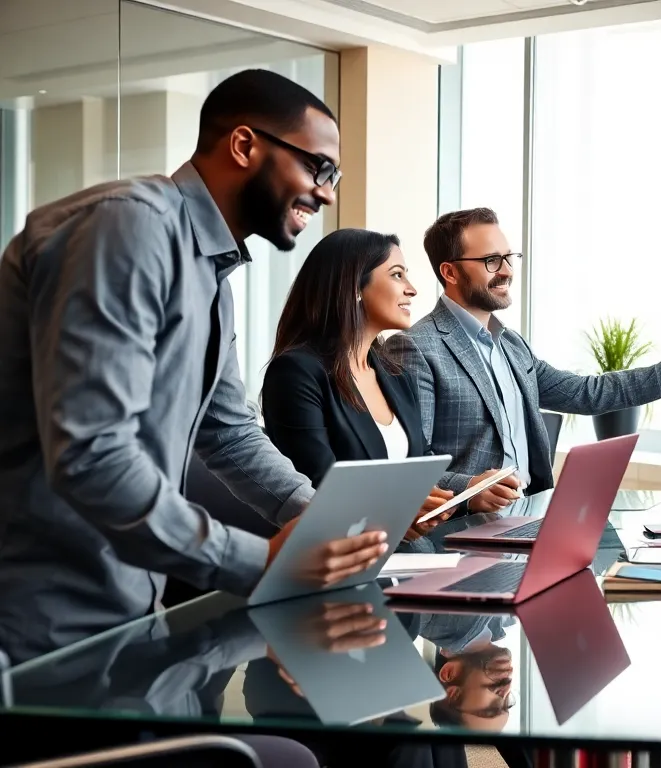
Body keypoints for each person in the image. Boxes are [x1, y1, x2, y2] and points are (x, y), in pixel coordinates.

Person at [0, 69, 386, 665]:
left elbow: (227, 432)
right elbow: (92, 454)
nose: (327, 194)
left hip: (125, 607)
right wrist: (260, 563)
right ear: (244, 145)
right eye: (318, 167)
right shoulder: (130, 227)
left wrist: (317, 520)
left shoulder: (212, 275)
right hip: (37, 622)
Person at [385, 207, 661, 510]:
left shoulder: (511, 345)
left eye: (509, 257)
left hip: (528, 518)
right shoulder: (417, 348)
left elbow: (592, 393)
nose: (506, 271)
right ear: (450, 272)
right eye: (491, 261)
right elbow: (410, 465)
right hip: (462, 536)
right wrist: (469, 491)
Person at [261, 228, 456, 535]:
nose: (412, 289)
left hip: (404, 546)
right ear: (354, 286)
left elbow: (417, 469)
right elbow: (316, 484)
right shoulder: (296, 373)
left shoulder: (396, 375)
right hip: (337, 547)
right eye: (397, 275)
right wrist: (395, 513)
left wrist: (435, 501)